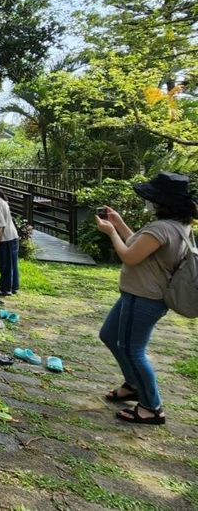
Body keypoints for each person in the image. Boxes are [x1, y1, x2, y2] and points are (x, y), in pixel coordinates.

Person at [96, 172, 196, 426]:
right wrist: (118, 223)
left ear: (161, 202)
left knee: (133, 350)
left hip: (145, 296)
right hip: (140, 293)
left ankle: (152, 406)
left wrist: (110, 232)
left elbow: (129, 255)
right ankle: (133, 385)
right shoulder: (178, 225)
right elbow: (138, 245)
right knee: (109, 334)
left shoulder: (161, 227)